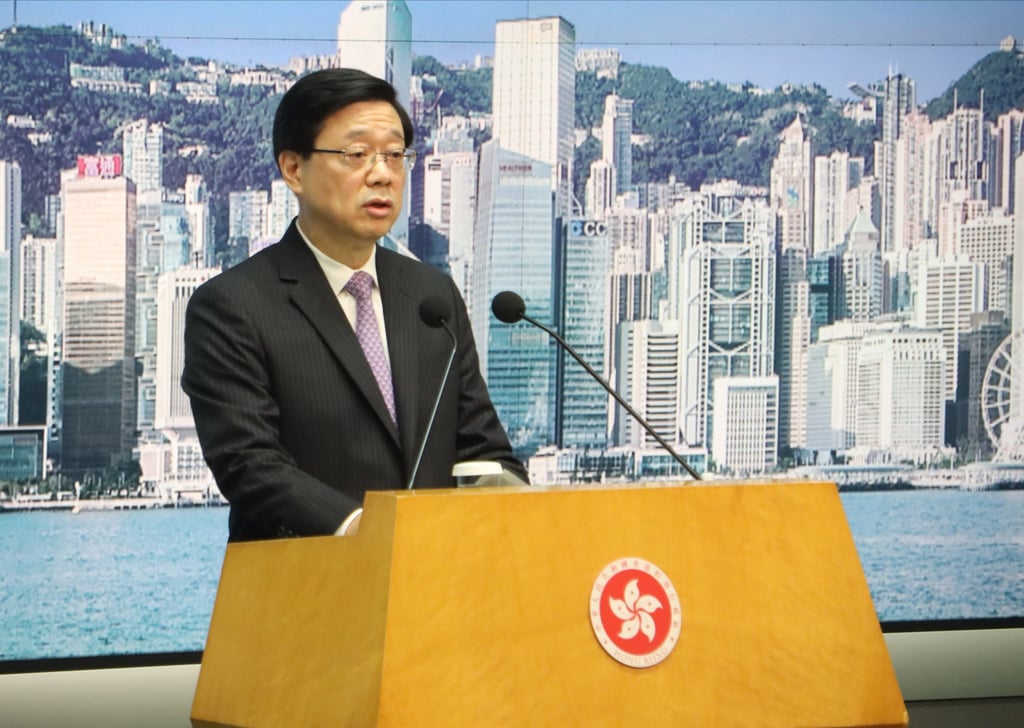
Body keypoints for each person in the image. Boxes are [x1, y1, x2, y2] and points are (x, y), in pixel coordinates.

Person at [182, 68, 526, 542]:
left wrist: (504, 507)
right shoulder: (232, 305)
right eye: (357, 154)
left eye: (394, 154)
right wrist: (367, 531)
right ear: (293, 169)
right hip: (309, 590)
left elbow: (483, 449)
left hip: (438, 591)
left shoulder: (432, 296)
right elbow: (250, 464)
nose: (382, 174)